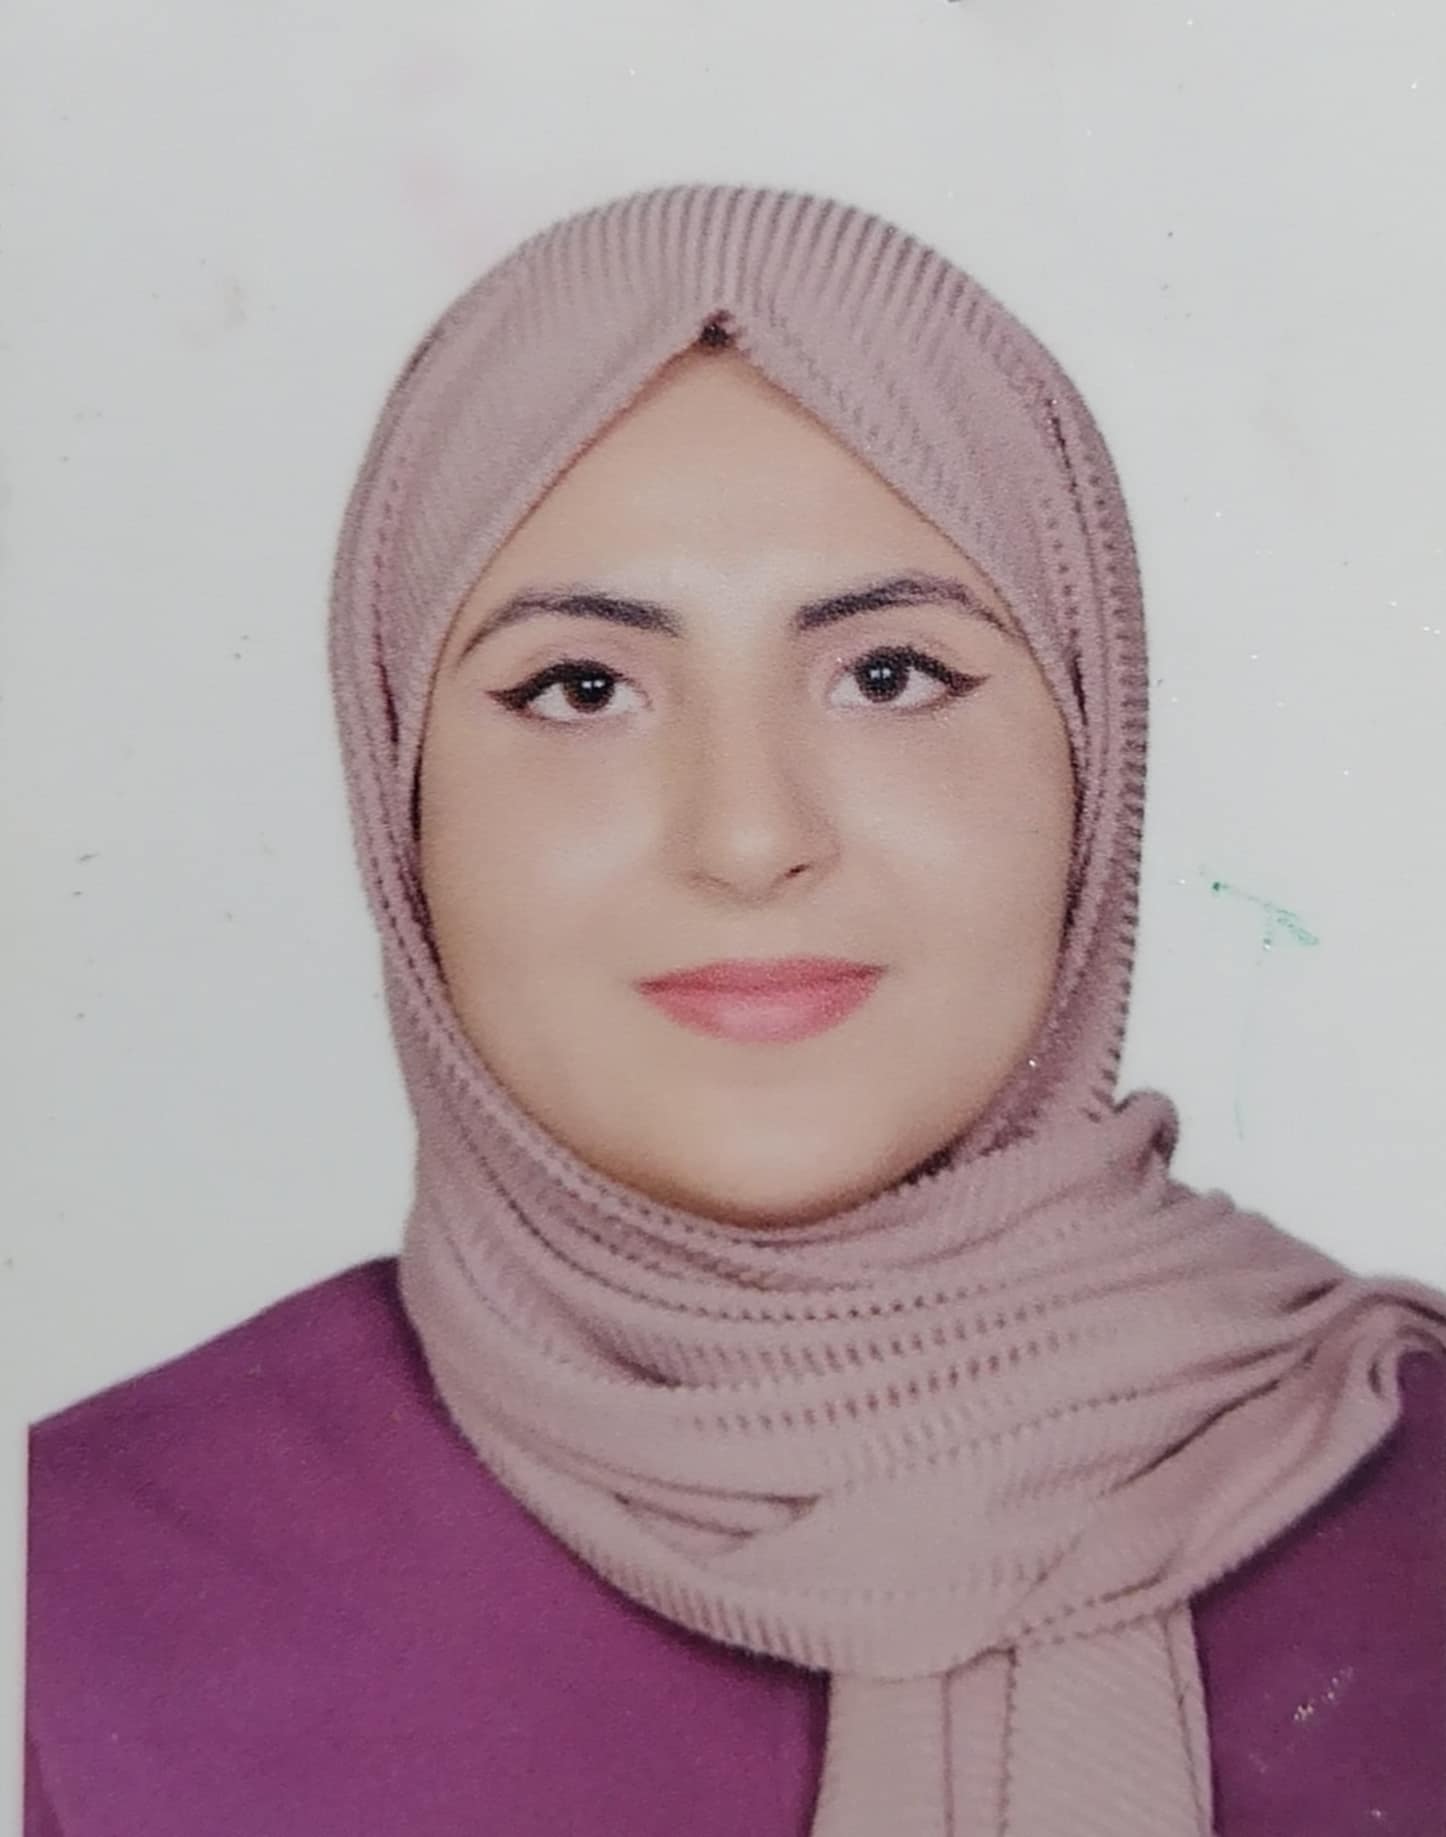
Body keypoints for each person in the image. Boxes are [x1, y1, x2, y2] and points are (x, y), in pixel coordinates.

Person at [25, 180, 1446, 1836]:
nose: (750, 834)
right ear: (400, 796)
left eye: (889, 674)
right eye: (582, 687)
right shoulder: (74, 1589)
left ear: (1091, 752)